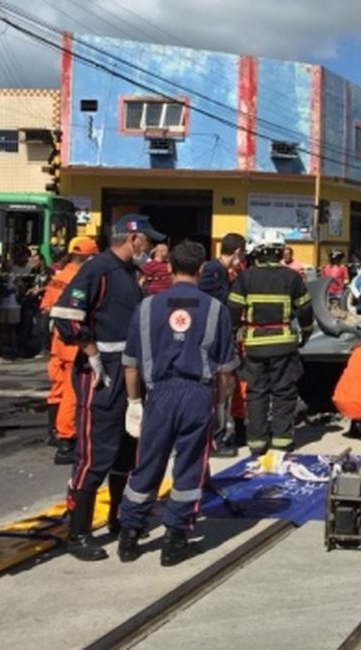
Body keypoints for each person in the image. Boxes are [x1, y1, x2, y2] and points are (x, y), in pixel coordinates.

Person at [50, 214, 165, 561]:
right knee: (95, 453)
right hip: (102, 373)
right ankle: (78, 532)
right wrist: (91, 352)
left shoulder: (131, 273)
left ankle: (118, 517)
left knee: (126, 450)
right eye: (149, 240)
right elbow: (65, 316)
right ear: (135, 239)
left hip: (129, 369)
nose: (153, 247)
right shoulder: (97, 269)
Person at [117, 241, 238, 566]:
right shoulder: (216, 309)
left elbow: (130, 364)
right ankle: (175, 540)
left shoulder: (146, 308)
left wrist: (134, 403)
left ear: (169, 268)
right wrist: (222, 407)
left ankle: (129, 535)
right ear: (201, 270)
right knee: (189, 468)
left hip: (158, 394)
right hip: (197, 394)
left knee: (148, 464)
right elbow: (226, 371)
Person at [227, 233, 312, 454]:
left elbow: (233, 310)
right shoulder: (292, 278)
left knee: (256, 393)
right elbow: (305, 310)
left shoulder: (245, 278)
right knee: (283, 392)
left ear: (258, 252)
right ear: (279, 251)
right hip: (284, 345)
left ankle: (256, 442)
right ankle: (282, 441)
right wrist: (306, 332)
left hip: (255, 345)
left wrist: (236, 331)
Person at [40, 236, 98, 464]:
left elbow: (45, 307)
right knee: (72, 393)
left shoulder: (59, 276)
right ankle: (66, 440)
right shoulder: (80, 279)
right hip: (73, 342)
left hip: (57, 340)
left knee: (58, 388)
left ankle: (53, 432)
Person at [199, 233, 246, 302]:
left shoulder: (224, 271)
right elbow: (201, 294)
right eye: (244, 252)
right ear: (237, 252)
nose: (243, 257)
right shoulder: (213, 268)